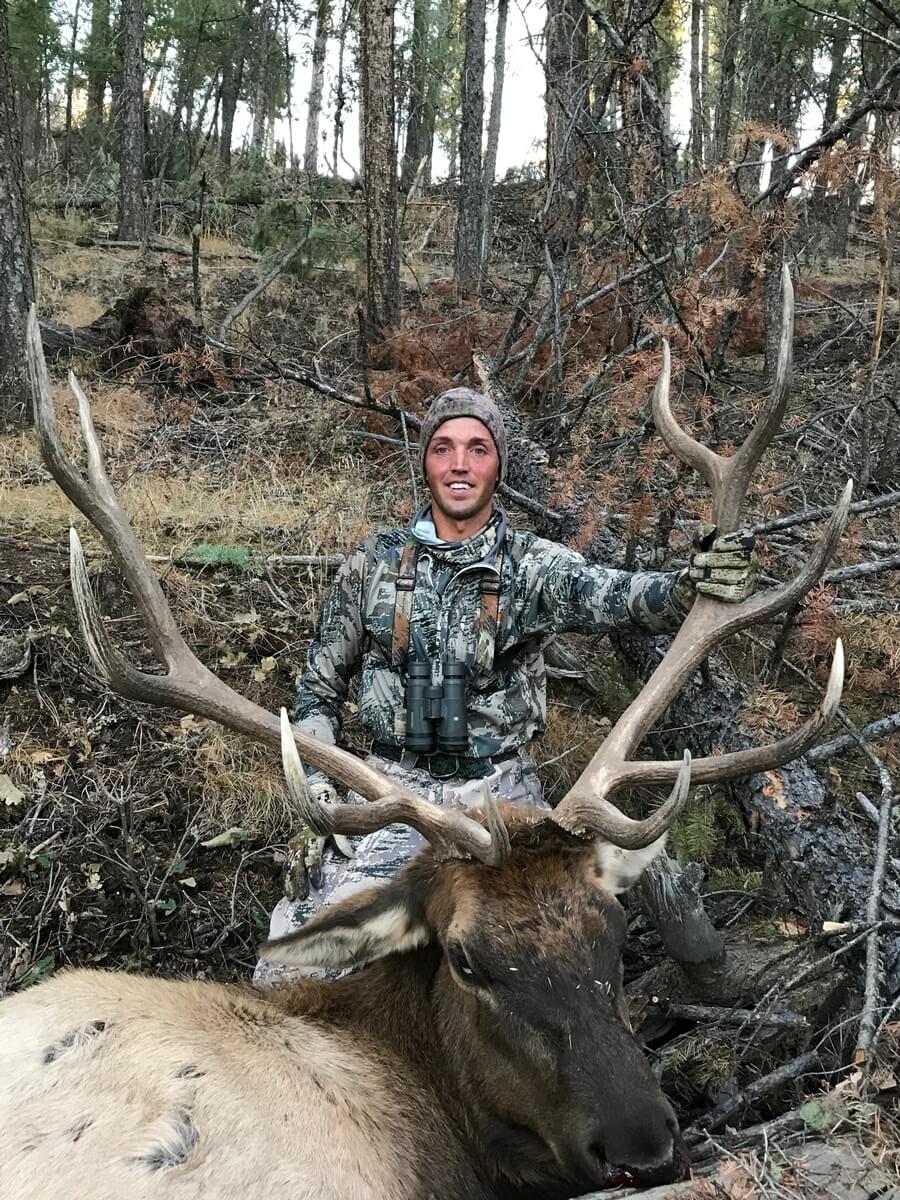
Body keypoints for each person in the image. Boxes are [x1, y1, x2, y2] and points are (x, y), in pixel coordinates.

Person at [256, 388, 756, 981]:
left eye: (478, 449)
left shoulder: (534, 566)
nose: (459, 465)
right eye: (443, 448)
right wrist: (320, 789)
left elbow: (625, 597)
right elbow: (317, 690)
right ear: (425, 462)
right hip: (392, 796)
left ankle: (712, 975)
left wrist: (689, 583)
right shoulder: (372, 564)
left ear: (499, 464)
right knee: (293, 973)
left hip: (503, 799)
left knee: (587, 932)